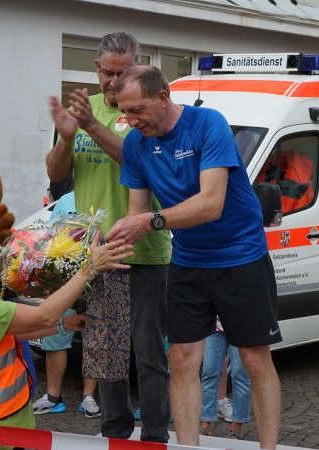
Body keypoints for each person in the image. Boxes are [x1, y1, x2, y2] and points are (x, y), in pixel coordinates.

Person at [106, 65, 282, 449]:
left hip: (241, 256)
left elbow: (211, 203)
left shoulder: (208, 124)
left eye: (136, 110)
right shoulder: (135, 145)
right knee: (183, 358)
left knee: (254, 360)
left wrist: (151, 221)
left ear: (162, 97)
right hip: (188, 260)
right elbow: (137, 214)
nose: (130, 120)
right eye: (124, 112)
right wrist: (103, 245)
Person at [0, 190, 132, 450]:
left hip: (10, 423)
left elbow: (6, 332)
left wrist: (64, 325)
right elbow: (42, 315)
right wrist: (89, 268)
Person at [45, 32, 172, 441]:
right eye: (107, 72)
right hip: (99, 255)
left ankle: (155, 436)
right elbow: (56, 174)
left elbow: (138, 160)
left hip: (145, 253)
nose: (114, 82)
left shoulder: (143, 110)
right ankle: (114, 434)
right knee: (107, 351)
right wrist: (68, 137)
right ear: (96, 68)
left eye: (123, 72)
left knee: (149, 354)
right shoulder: (82, 111)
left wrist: (91, 126)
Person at [32, 192, 101, 417]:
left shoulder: (108, 194)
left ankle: (88, 397)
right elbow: (49, 238)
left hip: (98, 276)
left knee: (95, 335)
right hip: (63, 278)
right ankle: (53, 397)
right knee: (56, 333)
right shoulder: (65, 200)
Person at [200, 319, 250, 440]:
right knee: (209, 371)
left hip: (241, 323)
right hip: (214, 324)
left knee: (239, 374)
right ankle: (205, 423)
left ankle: (236, 427)